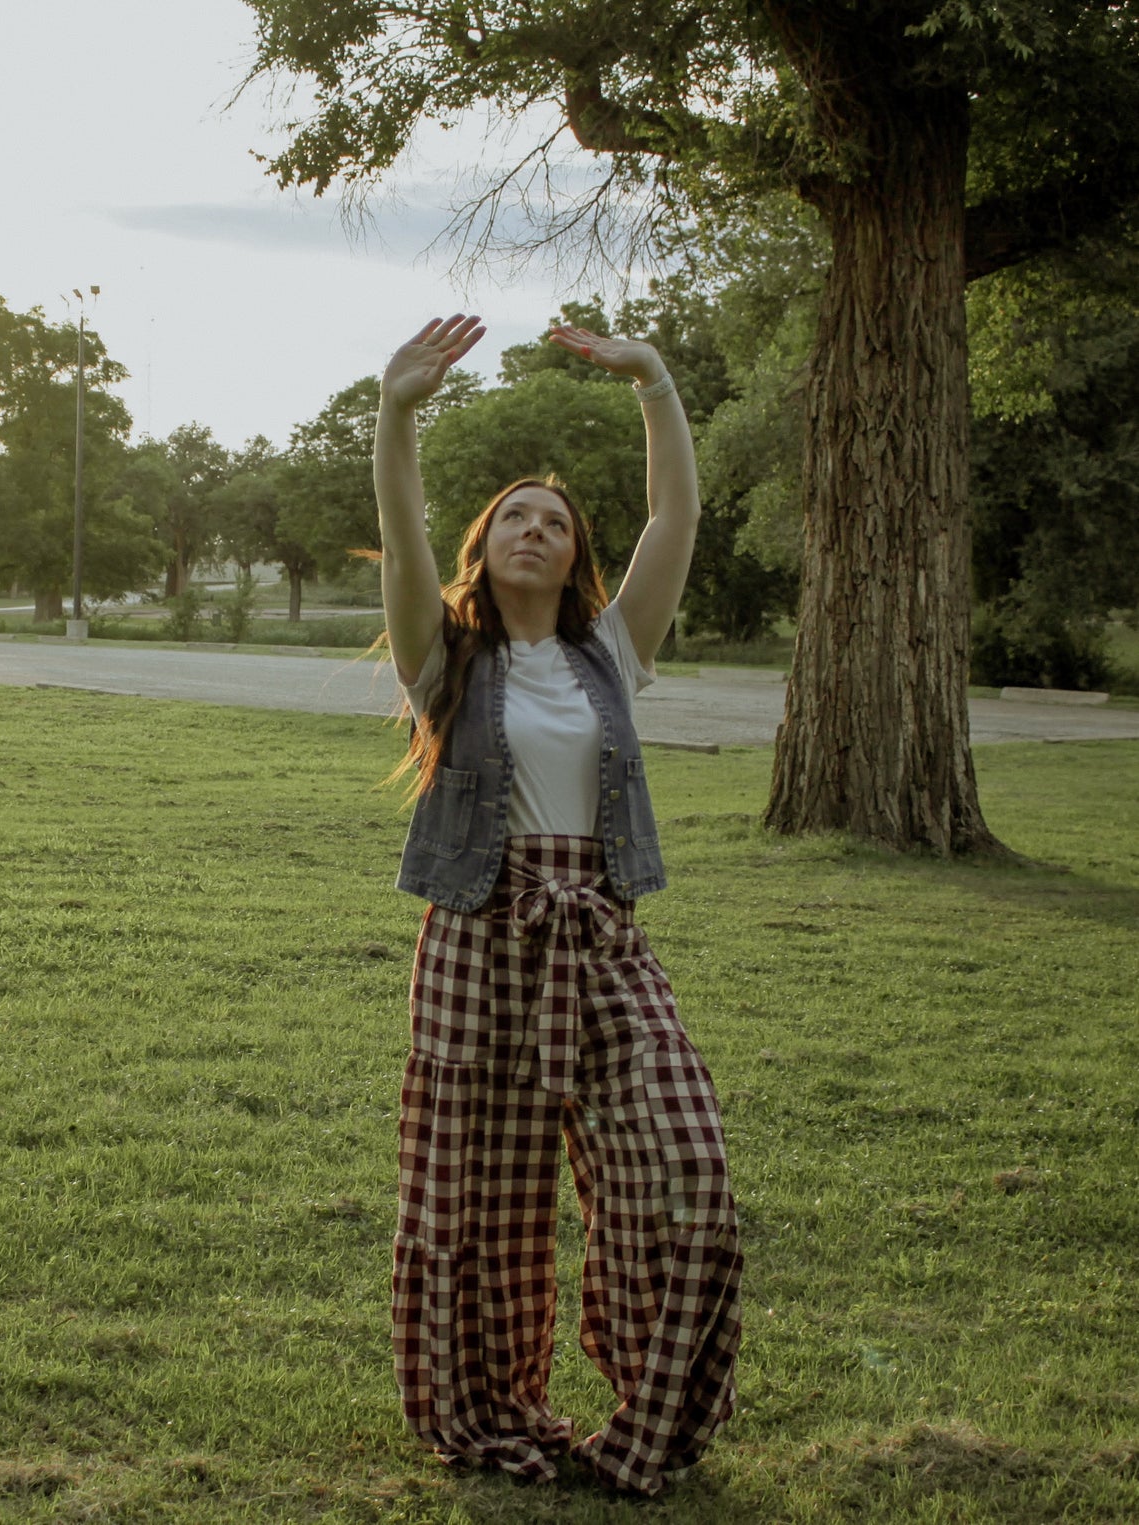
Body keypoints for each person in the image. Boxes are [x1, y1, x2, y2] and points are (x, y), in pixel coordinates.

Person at [374, 314, 742, 1495]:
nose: (536, 528)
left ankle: (649, 1426)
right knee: (472, 1197)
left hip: (599, 936)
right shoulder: (444, 655)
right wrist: (396, 412)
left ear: (574, 554)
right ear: (484, 547)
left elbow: (675, 520)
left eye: (557, 521)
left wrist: (656, 384)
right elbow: (398, 541)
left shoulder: (609, 650)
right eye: (514, 517)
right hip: (479, 936)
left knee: (683, 1166)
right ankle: (485, 1409)